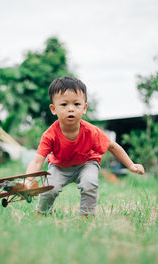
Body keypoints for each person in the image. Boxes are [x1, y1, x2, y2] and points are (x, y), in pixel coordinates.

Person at [25, 76, 144, 216]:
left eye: (76, 104)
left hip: (86, 163)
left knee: (90, 183)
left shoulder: (91, 131)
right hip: (59, 166)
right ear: (53, 109)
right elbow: (37, 160)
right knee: (49, 188)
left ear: (84, 108)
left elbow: (112, 146)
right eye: (64, 105)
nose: (71, 109)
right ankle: (42, 213)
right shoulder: (49, 135)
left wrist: (131, 165)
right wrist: (28, 180)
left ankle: (86, 216)